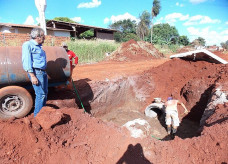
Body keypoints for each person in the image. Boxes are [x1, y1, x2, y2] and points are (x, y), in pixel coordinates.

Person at [22, 28, 48, 117]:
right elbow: (26, 61)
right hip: (36, 72)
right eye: (43, 36)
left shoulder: (39, 47)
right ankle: (38, 116)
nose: (44, 38)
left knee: (44, 93)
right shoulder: (27, 45)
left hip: (42, 72)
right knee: (40, 94)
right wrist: (32, 76)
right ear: (38, 36)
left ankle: (43, 112)